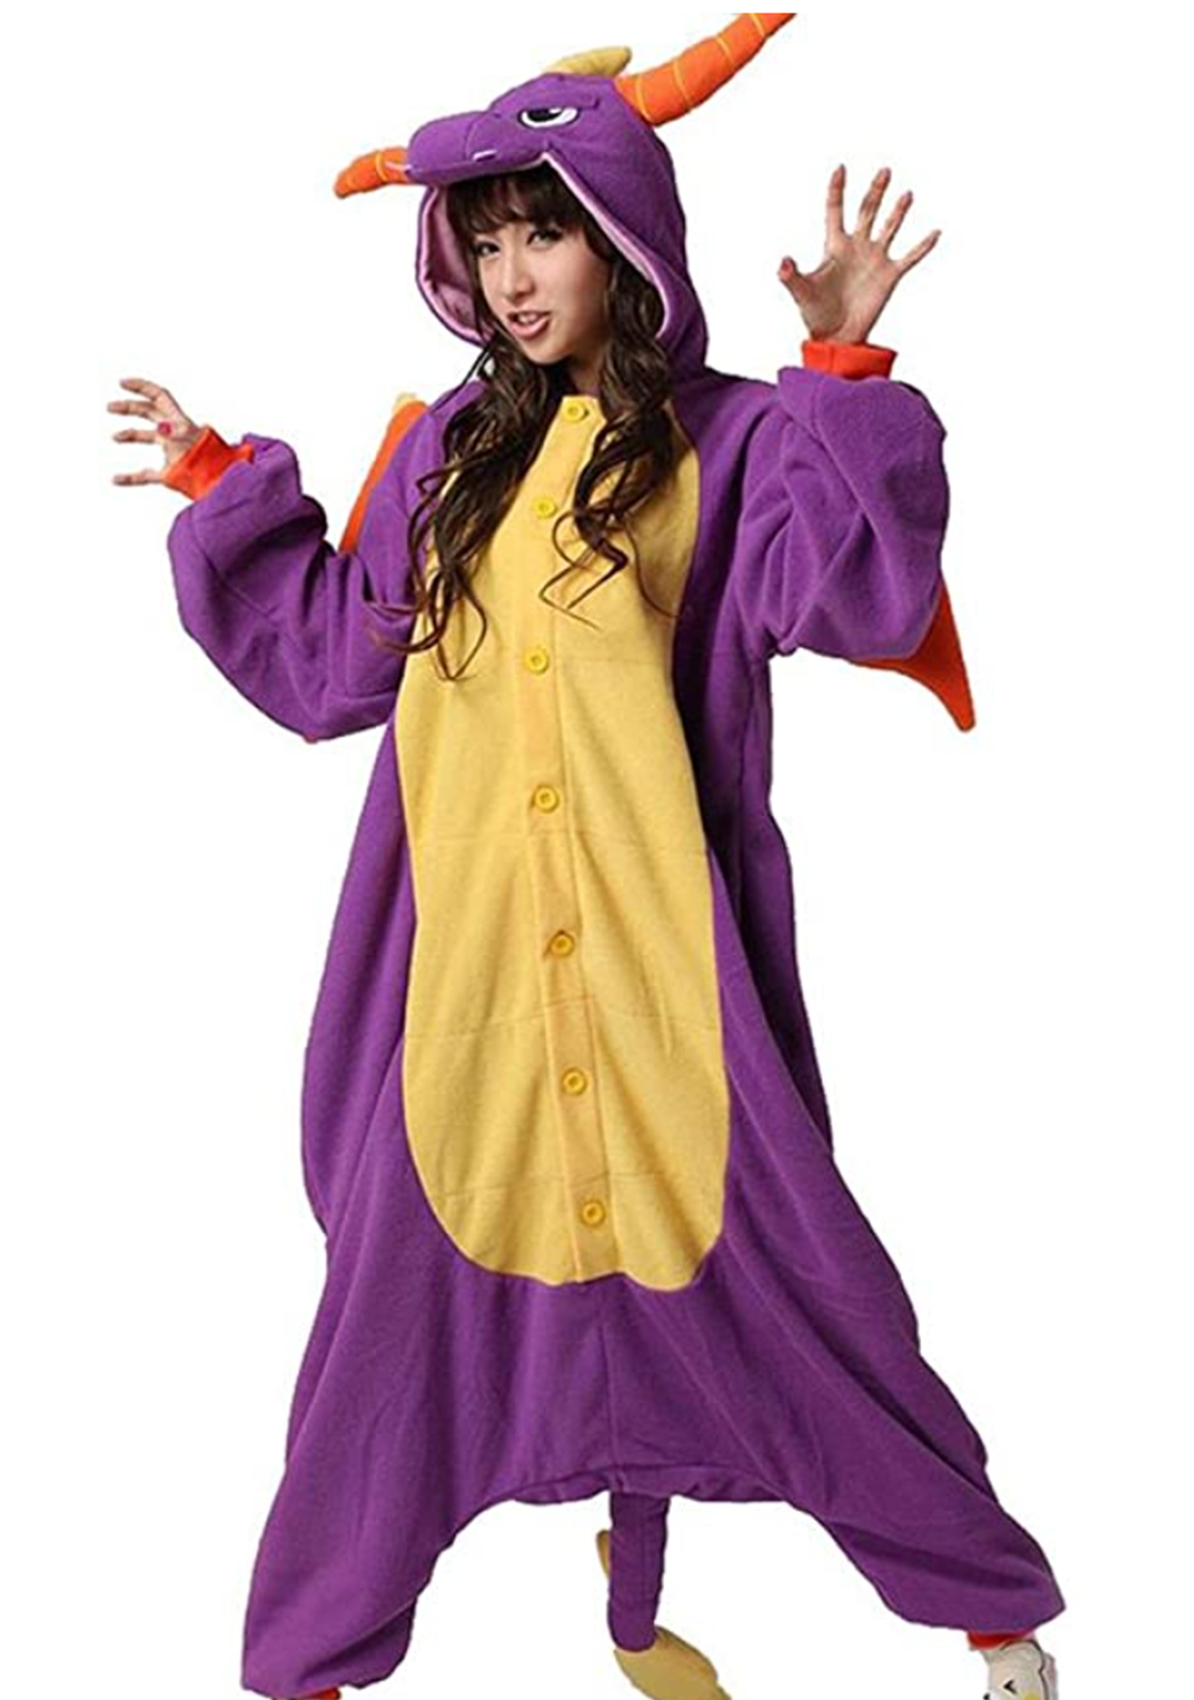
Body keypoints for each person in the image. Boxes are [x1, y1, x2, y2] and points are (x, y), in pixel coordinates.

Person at [109, 20, 1062, 1700]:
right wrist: (215, 479)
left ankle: (993, 1621)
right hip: (460, 992)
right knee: (387, 1352)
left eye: (541, 231)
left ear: (622, 235)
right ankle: (311, 1665)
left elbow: (854, 593)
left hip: (660, 984)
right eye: (481, 242)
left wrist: (839, 367)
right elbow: (333, 665)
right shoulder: (443, 459)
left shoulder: (734, 439)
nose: (510, 274)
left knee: (806, 1303)